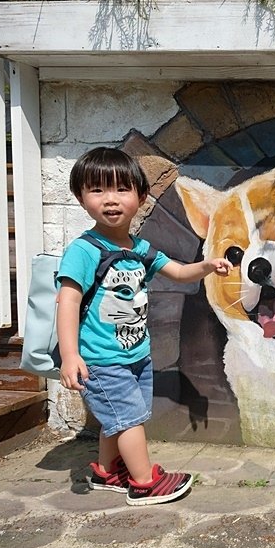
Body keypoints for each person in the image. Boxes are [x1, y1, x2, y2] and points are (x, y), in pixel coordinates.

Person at [56, 147, 232, 506]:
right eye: (98, 190)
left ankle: (107, 471)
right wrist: (70, 355)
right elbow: (68, 301)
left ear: (140, 196)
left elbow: (180, 272)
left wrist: (208, 266)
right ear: (80, 197)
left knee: (117, 418)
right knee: (130, 420)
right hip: (102, 360)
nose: (110, 200)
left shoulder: (140, 249)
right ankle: (143, 482)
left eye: (121, 189)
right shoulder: (84, 250)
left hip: (135, 354)